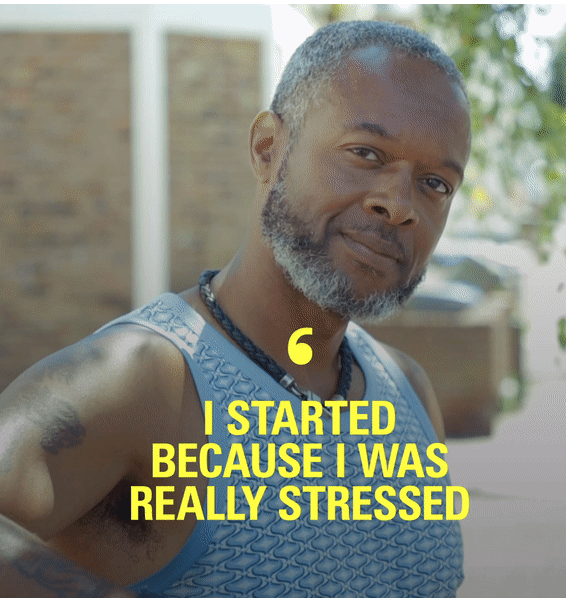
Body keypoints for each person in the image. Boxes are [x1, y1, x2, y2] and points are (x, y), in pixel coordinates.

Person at [0, 19, 471, 598]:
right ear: (268, 148)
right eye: (366, 153)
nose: (398, 205)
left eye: (435, 183)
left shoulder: (409, 394)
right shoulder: (148, 382)